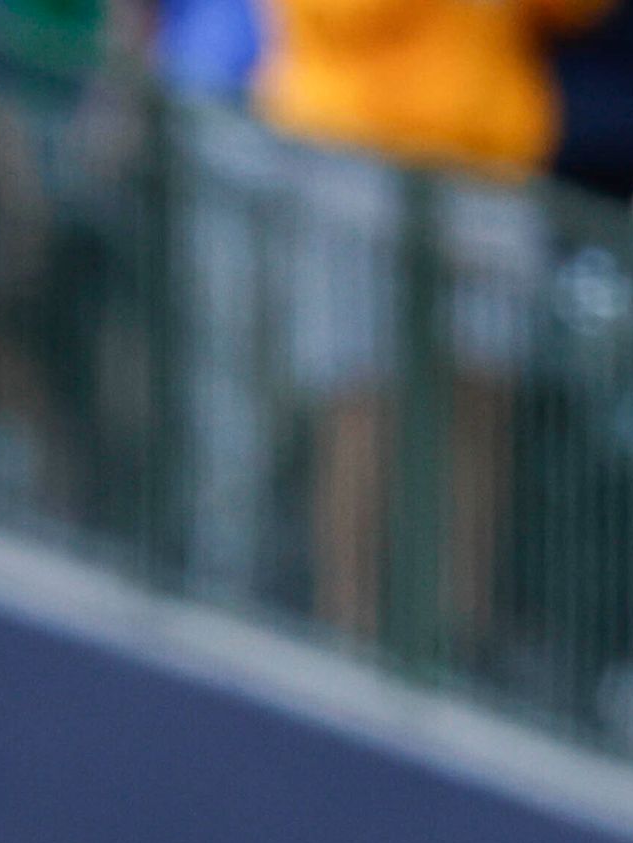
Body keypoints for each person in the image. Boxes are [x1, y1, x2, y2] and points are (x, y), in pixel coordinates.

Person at [253, 0, 609, 646]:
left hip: (487, 160)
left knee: (483, 396)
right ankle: (348, 628)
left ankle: (460, 635)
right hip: (355, 148)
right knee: (361, 396)